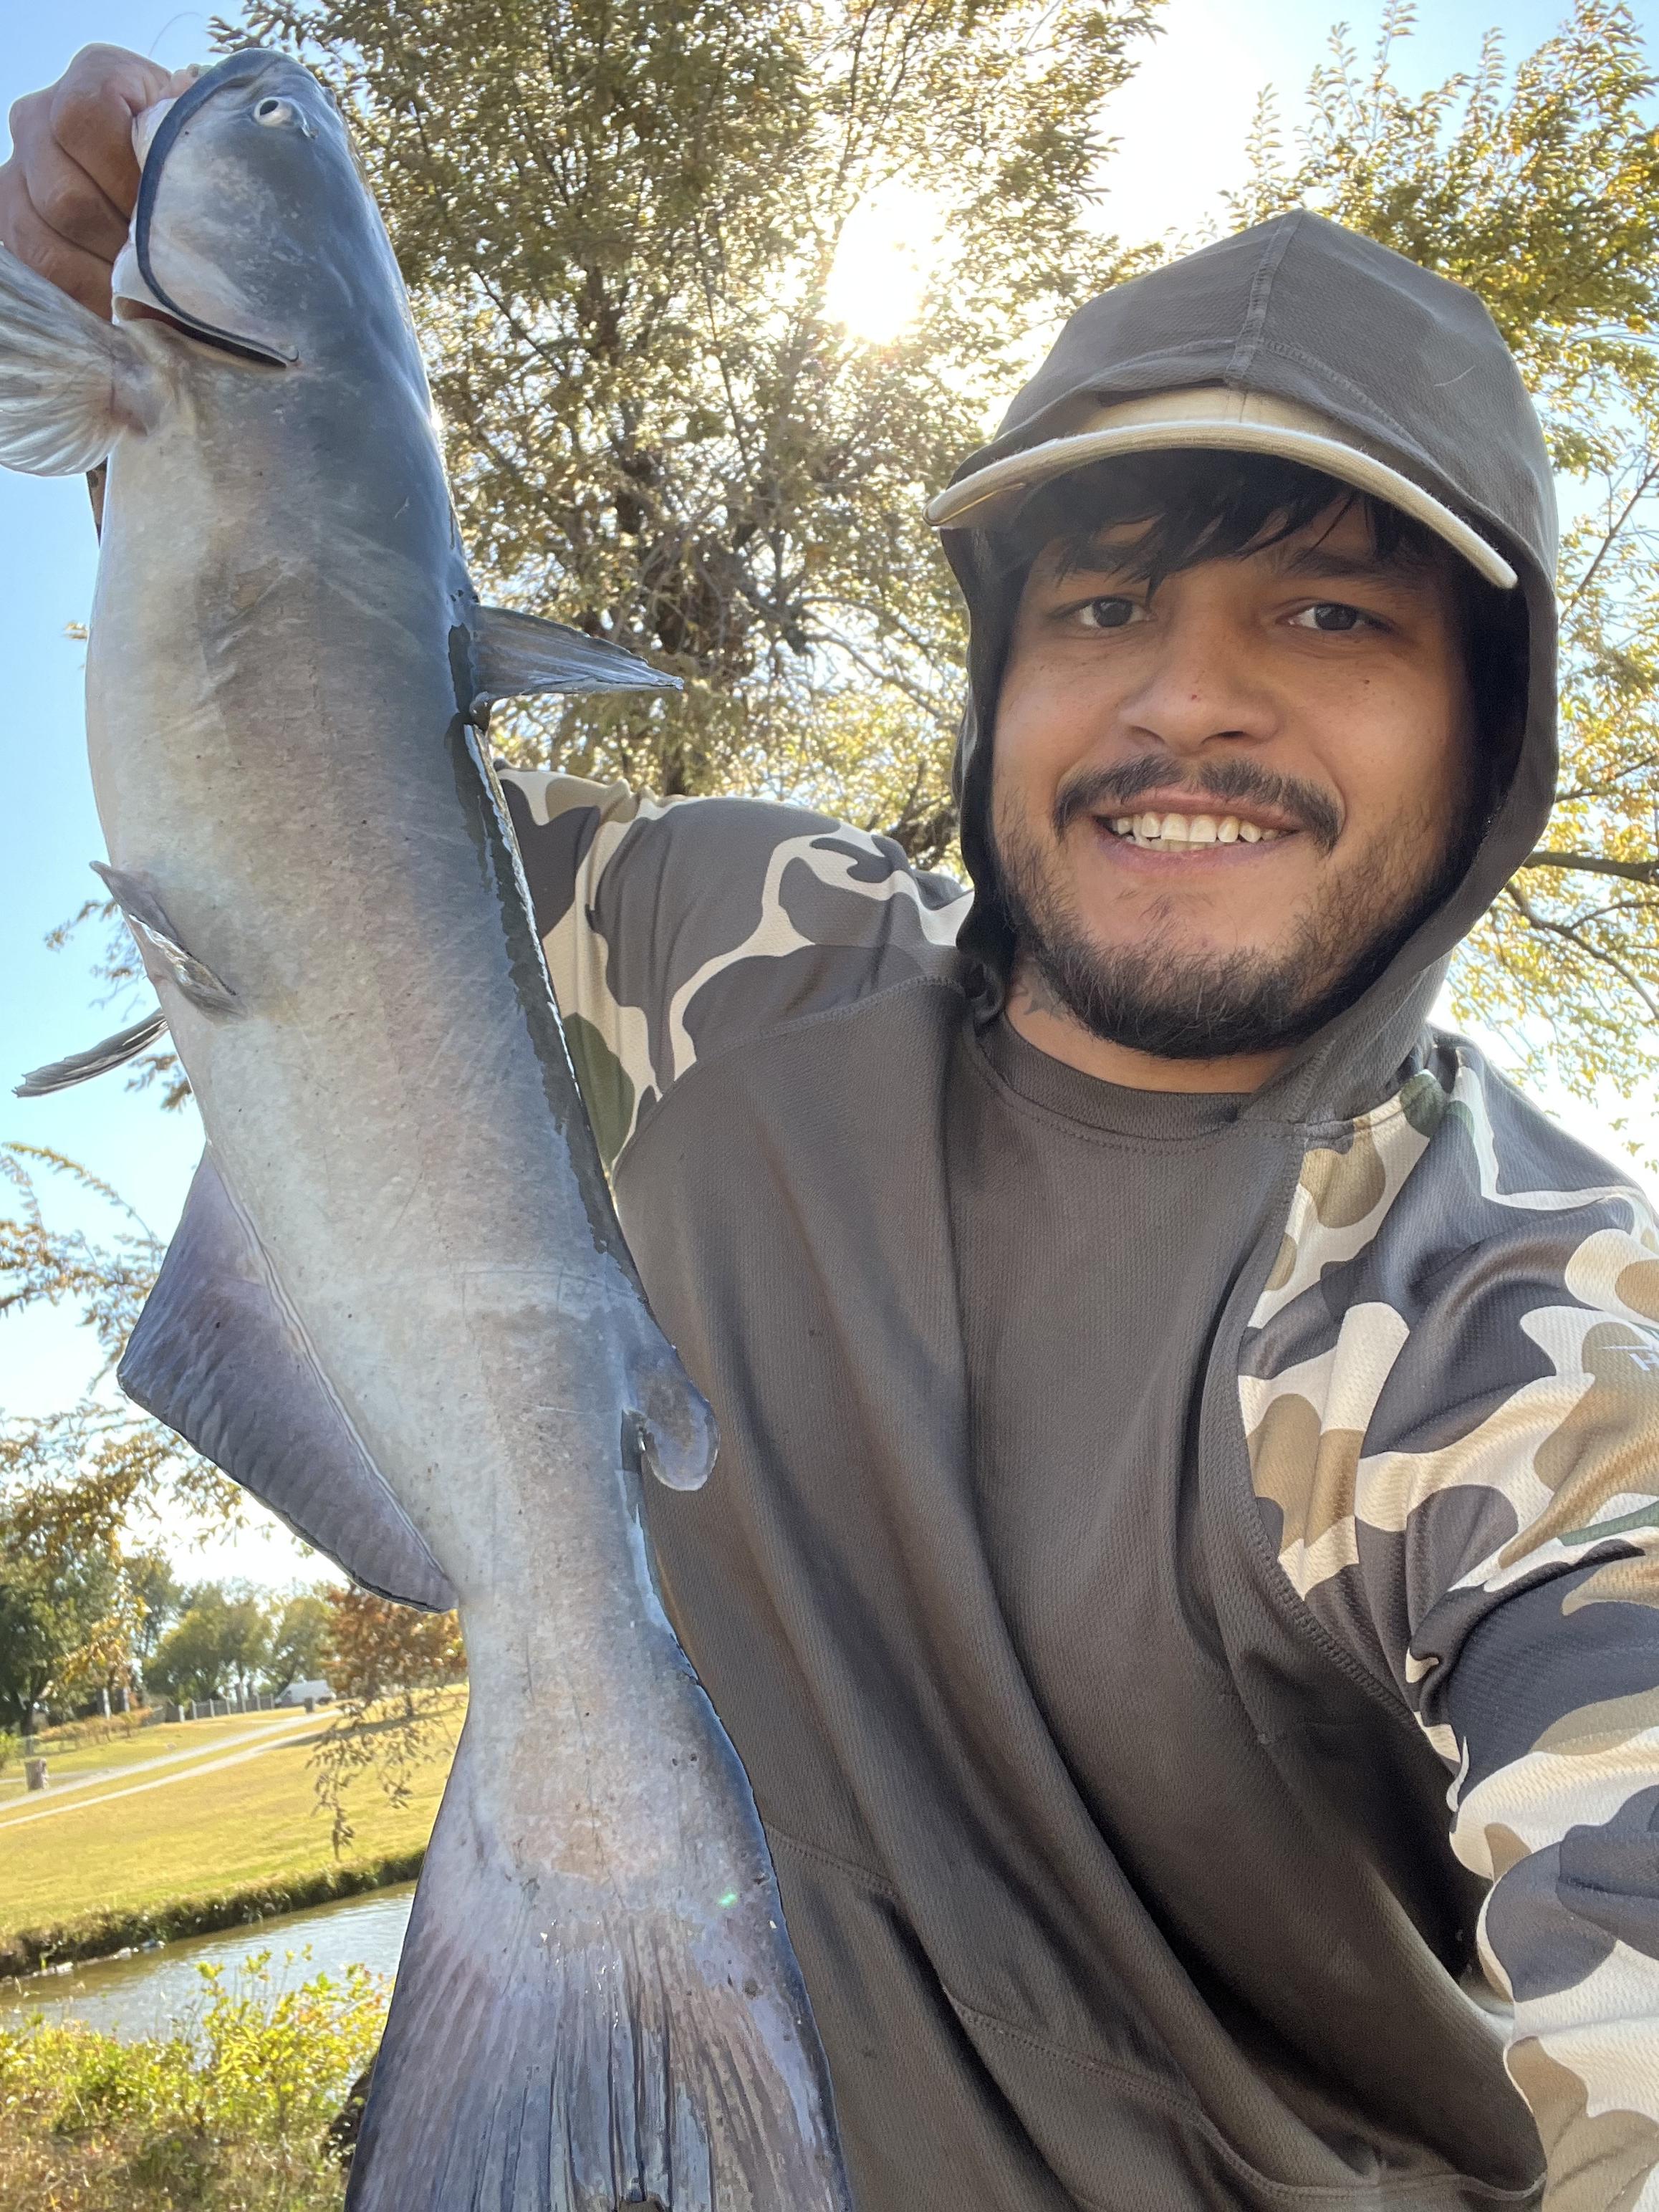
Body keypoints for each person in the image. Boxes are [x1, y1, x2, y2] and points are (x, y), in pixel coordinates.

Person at [8, 46, 1659, 2212]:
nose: (1187, 700)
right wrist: (187, 417)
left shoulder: (1530, 1339)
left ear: (1491, 728)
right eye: (1101, 605)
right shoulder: (748, 951)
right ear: (998, 682)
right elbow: (317, 825)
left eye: (1331, 613)